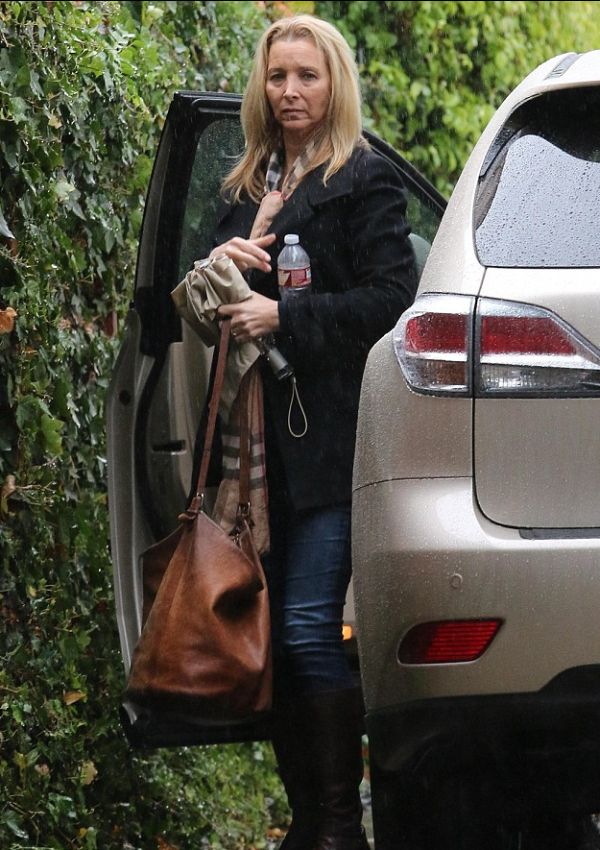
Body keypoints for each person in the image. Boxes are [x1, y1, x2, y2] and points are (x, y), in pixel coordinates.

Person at [211, 14, 417, 850]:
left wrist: (285, 317)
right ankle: (308, 823)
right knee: (273, 643)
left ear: (335, 83)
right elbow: (207, 308)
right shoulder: (247, 184)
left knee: (304, 628)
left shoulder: (364, 176)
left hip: (333, 441)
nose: (290, 91)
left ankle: (337, 826)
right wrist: (222, 266)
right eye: (277, 76)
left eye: (307, 75)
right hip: (256, 454)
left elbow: (393, 299)